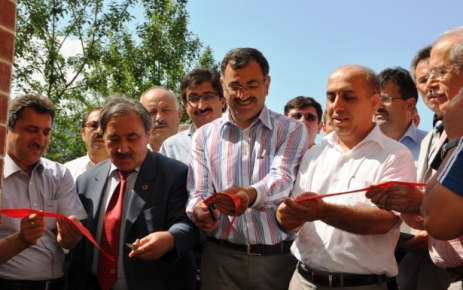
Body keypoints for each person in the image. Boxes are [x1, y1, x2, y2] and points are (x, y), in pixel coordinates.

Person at [276, 65, 416, 290]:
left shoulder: (396, 155)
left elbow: (385, 221)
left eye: (349, 97)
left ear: (374, 102)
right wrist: (286, 218)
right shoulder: (313, 154)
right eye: (331, 97)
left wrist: (323, 211)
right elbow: (293, 220)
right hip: (302, 281)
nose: (337, 106)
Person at [187, 47, 308, 290]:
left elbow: (283, 178)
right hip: (220, 261)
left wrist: (249, 195)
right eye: (235, 86)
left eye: (252, 85)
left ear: (267, 84)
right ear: (223, 86)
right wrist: (199, 212)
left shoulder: (292, 129)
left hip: (278, 262)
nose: (243, 94)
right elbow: (198, 193)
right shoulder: (203, 137)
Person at [67, 95, 198, 290]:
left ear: (147, 134)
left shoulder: (175, 174)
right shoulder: (86, 180)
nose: (122, 148)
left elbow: (189, 224)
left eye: (131, 138)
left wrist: (170, 239)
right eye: (113, 139)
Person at [367, 26, 463, 290]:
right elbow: (437, 207)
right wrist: (415, 204)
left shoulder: (452, 135)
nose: (431, 84)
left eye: (441, 72)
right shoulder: (444, 134)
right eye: (425, 77)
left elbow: (441, 223)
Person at [0, 94, 87, 289]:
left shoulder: (59, 174)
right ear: (7, 129)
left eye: (46, 132)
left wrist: (69, 239)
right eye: (32, 130)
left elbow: (66, 242)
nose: (40, 140)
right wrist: (21, 240)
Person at [160, 67, 226, 164]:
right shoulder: (171, 148)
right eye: (194, 98)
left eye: (208, 96)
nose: (201, 106)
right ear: (185, 105)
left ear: (223, 101)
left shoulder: (242, 141)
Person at [375, 67, 428, 166]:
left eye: (385, 99)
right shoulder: (359, 145)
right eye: (375, 100)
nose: (378, 106)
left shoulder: (433, 146)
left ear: (409, 104)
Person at [64, 107, 109, 180]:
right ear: (83, 133)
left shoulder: (128, 172)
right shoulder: (66, 172)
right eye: (94, 125)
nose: (99, 131)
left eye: (105, 126)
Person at [140, 86, 183, 152]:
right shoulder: (133, 158)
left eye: (165, 110)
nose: (159, 118)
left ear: (179, 114)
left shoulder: (196, 150)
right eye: (152, 112)